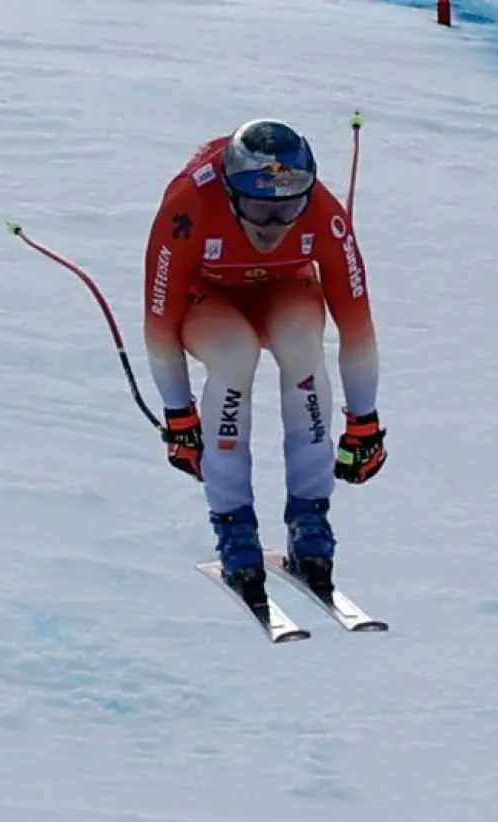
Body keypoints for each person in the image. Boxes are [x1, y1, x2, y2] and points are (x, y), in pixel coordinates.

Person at [141, 118, 387, 592]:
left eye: (289, 208)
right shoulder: (189, 205)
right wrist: (179, 414)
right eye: (259, 209)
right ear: (231, 195)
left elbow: (357, 326)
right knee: (234, 357)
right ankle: (234, 524)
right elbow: (160, 324)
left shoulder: (324, 214)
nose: (273, 226)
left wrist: (364, 421)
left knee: (304, 351)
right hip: (209, 297)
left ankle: (310, 519)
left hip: (285, 288)